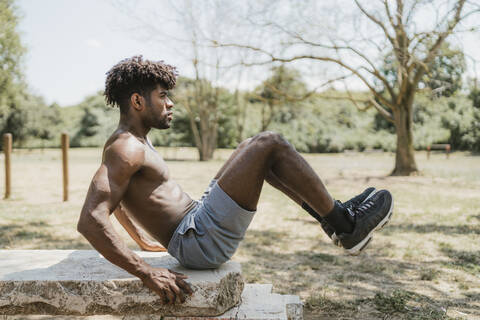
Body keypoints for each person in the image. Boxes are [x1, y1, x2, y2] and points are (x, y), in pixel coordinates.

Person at [77, 56, 393, 305]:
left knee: (252, 150)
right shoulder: (126, 148)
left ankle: (332, 219)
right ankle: (345, 225)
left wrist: (143, 240)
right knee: (270, 142)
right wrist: (145, 271)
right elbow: (92, 218)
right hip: (199, 242)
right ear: (137, 102)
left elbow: (116, 200)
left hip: (196, 225)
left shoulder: (130, 142)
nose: (170, 103)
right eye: (163, 96)